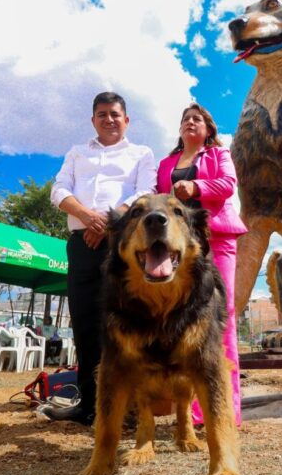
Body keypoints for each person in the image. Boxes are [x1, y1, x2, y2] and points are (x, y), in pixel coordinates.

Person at [42, 91, 155, 427]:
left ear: (126, 119)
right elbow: (58, 190)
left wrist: (107, 221)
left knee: (125, 323)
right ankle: (88, 405)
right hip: (81, 245)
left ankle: (129, 409)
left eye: (115, 114)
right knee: (85, 323)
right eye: (102, 114)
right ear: (93, 120)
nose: (109, 120)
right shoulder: (77, 153)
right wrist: (86, 216)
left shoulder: (141, 153)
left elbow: (144, 192)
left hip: (122, 245)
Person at [156, 102, 247, 426]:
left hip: (217, 239)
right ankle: (191, 411)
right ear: (180, 130)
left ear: (208, 130)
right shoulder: (165, 164)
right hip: (178, 249)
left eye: (197, 119)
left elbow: (227, 186)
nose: (191, 122)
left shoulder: (219, 156)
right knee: (184, 319)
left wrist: (196, 187)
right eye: (186, 119)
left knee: (222, 316)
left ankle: (225, 408)